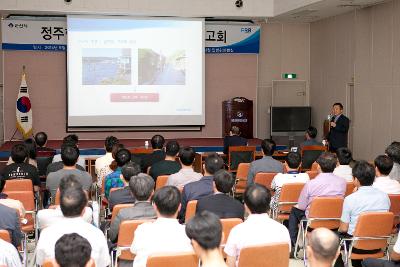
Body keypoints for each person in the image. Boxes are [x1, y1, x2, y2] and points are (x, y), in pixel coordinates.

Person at [36, 186, 110, 267]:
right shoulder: (97, 234)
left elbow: (40, 263)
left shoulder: (46, 234)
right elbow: (104, 264)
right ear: (84, 210)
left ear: (59, 208)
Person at [335, 160, 390, 267]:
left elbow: (343, 228)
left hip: (356, 245)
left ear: (355, 180)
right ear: (374, 178)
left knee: (331, 239)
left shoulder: (350, 199)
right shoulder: (385, 196)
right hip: (378, 243)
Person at [288, 152, 346, 249]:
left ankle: (294, 245)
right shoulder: (342, 182)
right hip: (335, 222)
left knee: (294, 210)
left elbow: (302, 206)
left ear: (318, 166)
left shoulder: (311, 184)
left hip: (313, 224)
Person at [224, 184, 291, 267]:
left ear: (246, 206)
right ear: (268, 204)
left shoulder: (237, 231)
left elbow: (230, 264)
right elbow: (283, 261)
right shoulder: (282, 230)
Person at [130, 186, 193, 267]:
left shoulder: (142, 230)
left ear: (154, 206)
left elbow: (133, 250)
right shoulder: (189, 233)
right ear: (179, 207)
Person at [109, 174, 157, 243]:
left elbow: (112, 237)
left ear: (132, 193)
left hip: (126, 252)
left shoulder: (123, 213)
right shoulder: (160, 214)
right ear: (153, 192)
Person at [179, 153, 224, 222]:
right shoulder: (224, 189)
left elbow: (182, 215)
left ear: (203, 166)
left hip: (191, 228)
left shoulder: (189, 188)